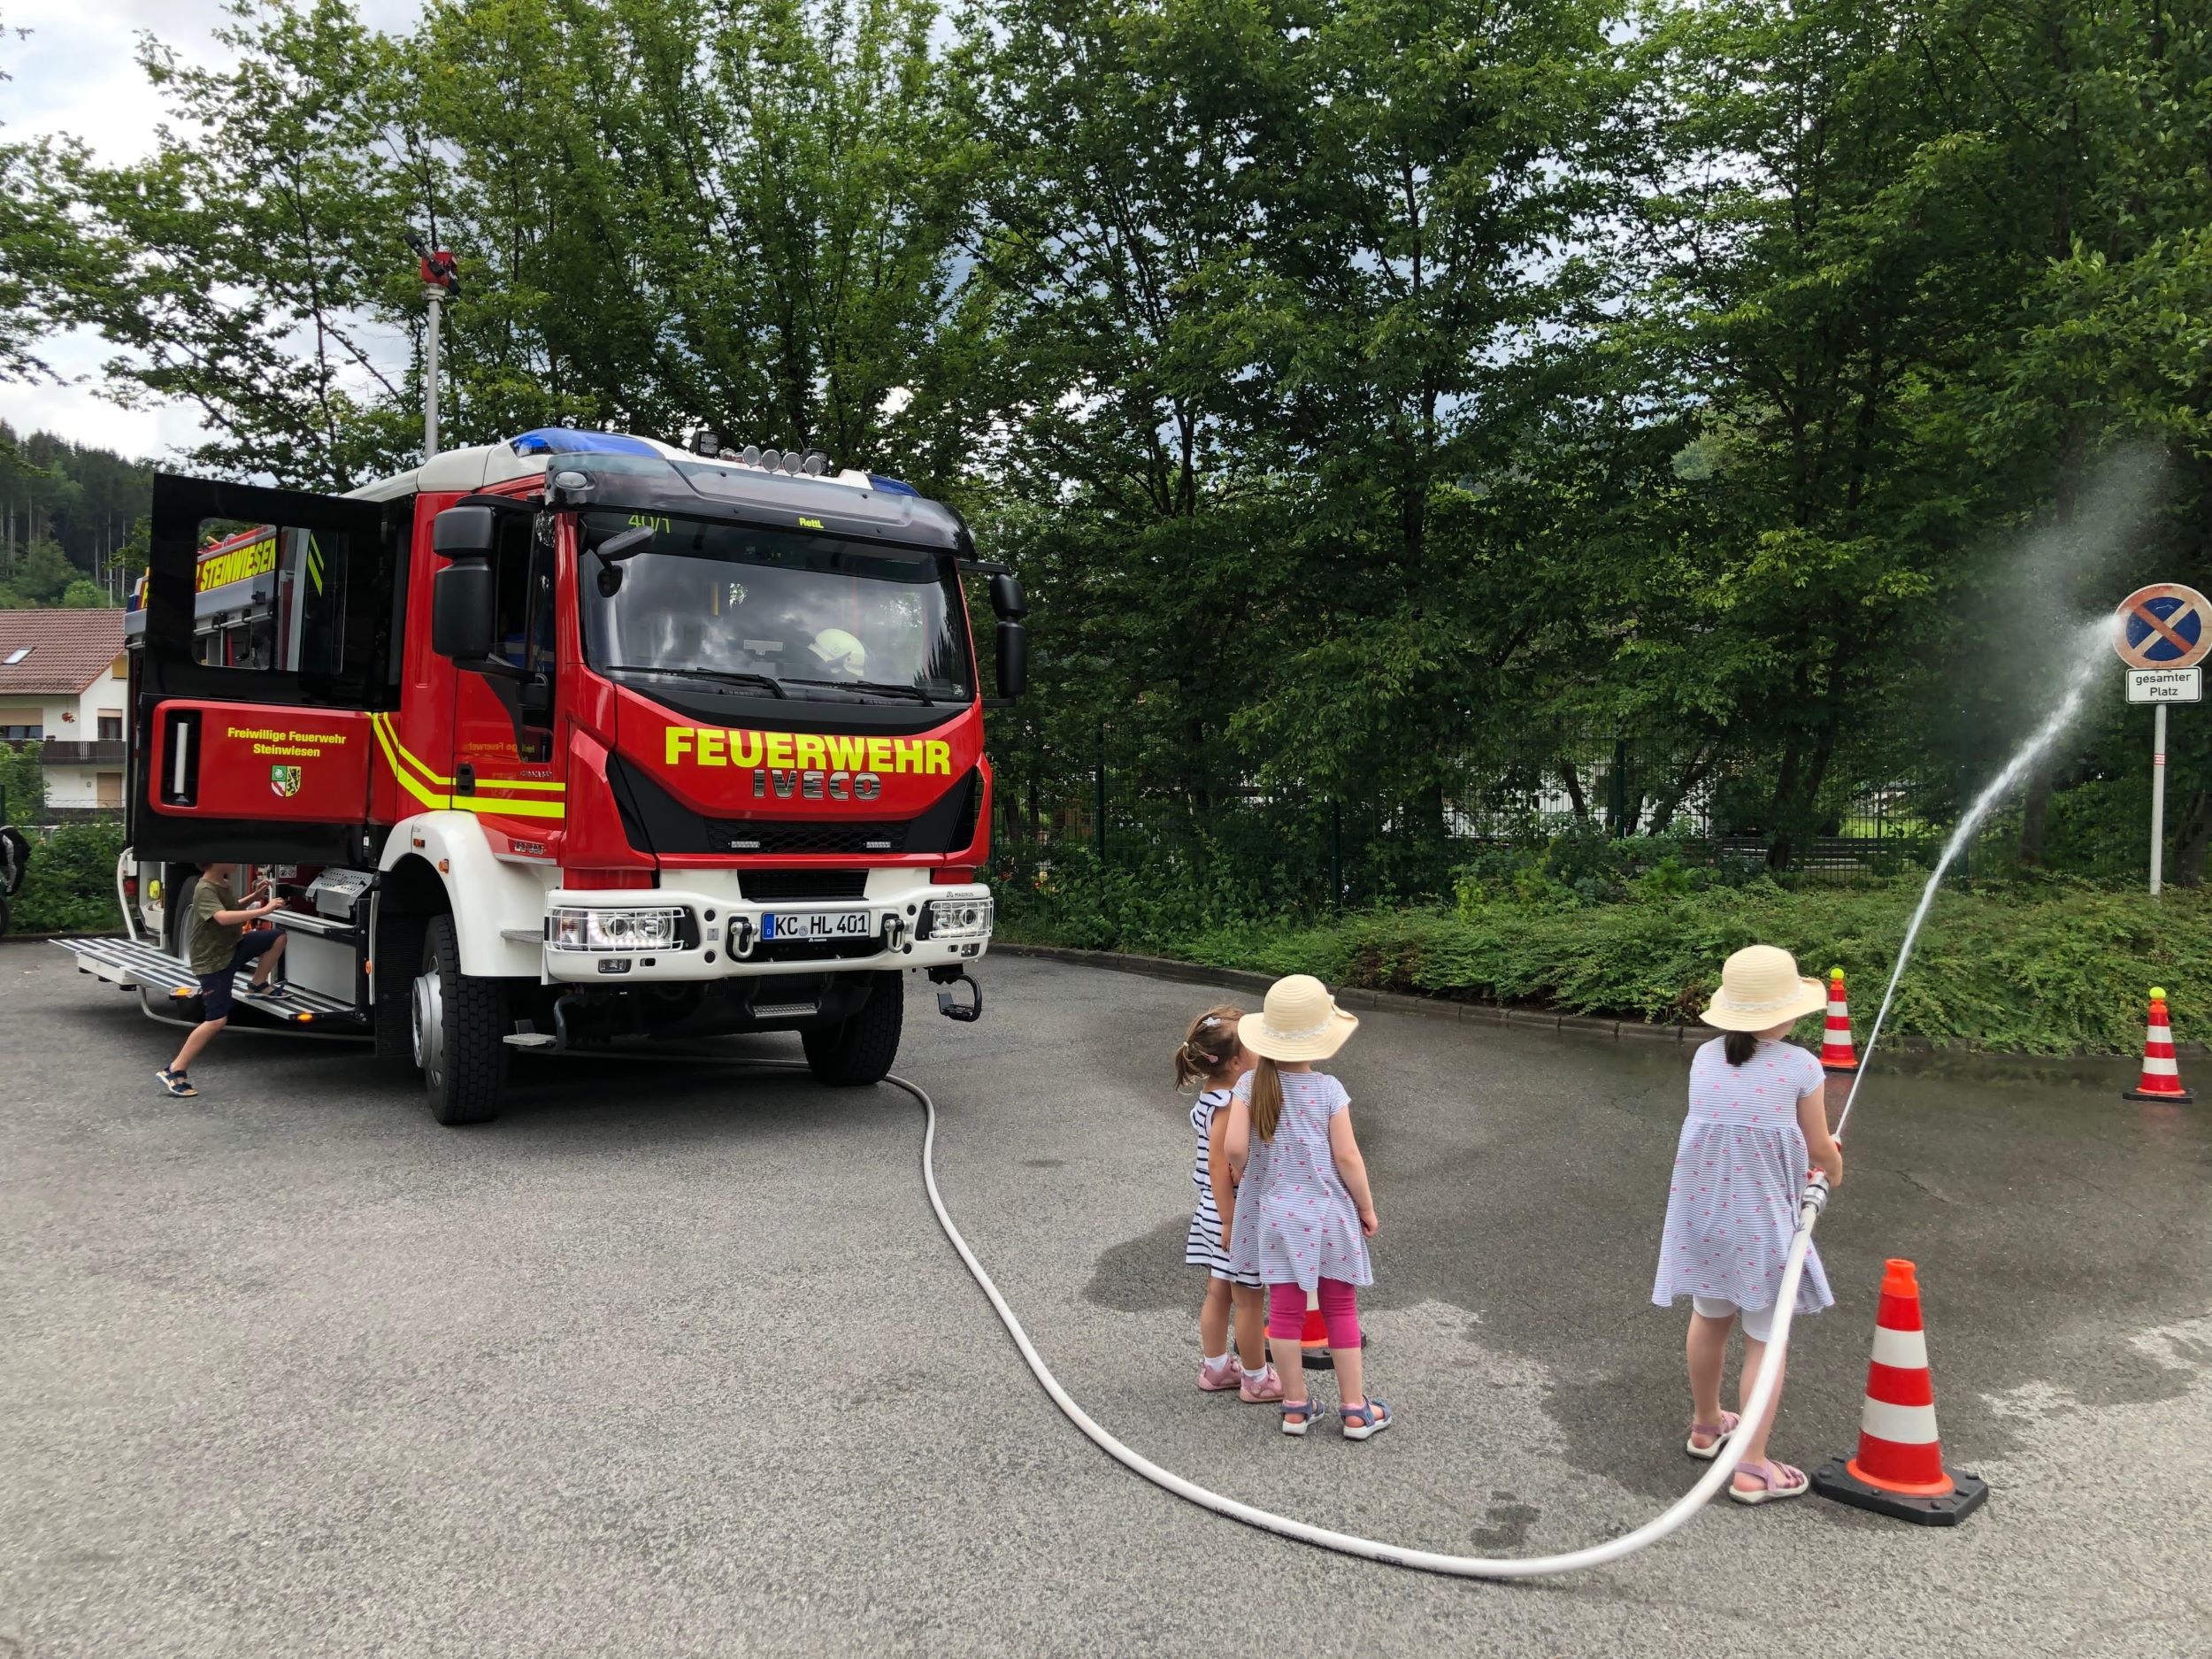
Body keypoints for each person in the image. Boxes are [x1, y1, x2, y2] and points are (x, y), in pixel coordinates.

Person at [1652, 943, 1846, 1505]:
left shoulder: (1706, 1057)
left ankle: (1707, 1424)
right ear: (1784, 1014)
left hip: (1704, 1216)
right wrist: (1835, 1163)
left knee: (1710, 1315)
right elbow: (1819, 1151)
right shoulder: (1802, 1067)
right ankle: (1752, 1467)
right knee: (1766, 1336)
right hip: (1760, 1225)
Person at [1225, 974, 1387, 1440]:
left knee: (1287, 1312)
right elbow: (1348, 1158)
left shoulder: (1250, 1086)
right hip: (1329, 1215)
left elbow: (1235, 1146)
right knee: (1341, 1309)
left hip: (1276, 1218)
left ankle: (1296, 1406)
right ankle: (1355, 1410)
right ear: (1319, 1038)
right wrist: (1368, 1207)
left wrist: (1242, 1172)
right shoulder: (1330, 1090)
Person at [1177, 1006, 1280, 1403]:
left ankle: (1216, 1367)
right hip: (1231, 1215)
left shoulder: (1211, 1094)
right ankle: (1257, 1378)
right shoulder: (1228, 1103)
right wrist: (1230, 1220)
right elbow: (1222, 1163)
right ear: (1237, 1062)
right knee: (1249, 1299)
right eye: (1254, 1047)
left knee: (1218, 1291)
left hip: (1212, 1210)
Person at [156, 864, 288, 1099]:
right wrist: (264, 910)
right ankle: (174, 1070)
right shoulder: (204, 888)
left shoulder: (222, 883)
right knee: (216, 1020)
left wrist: (256, 897)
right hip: (213, 962)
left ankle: (257, 984)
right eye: (230, 857)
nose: (236, 862)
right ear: (215, 862)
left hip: (231, 948)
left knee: (277, 938)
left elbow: (233, 908)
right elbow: (223, 917)